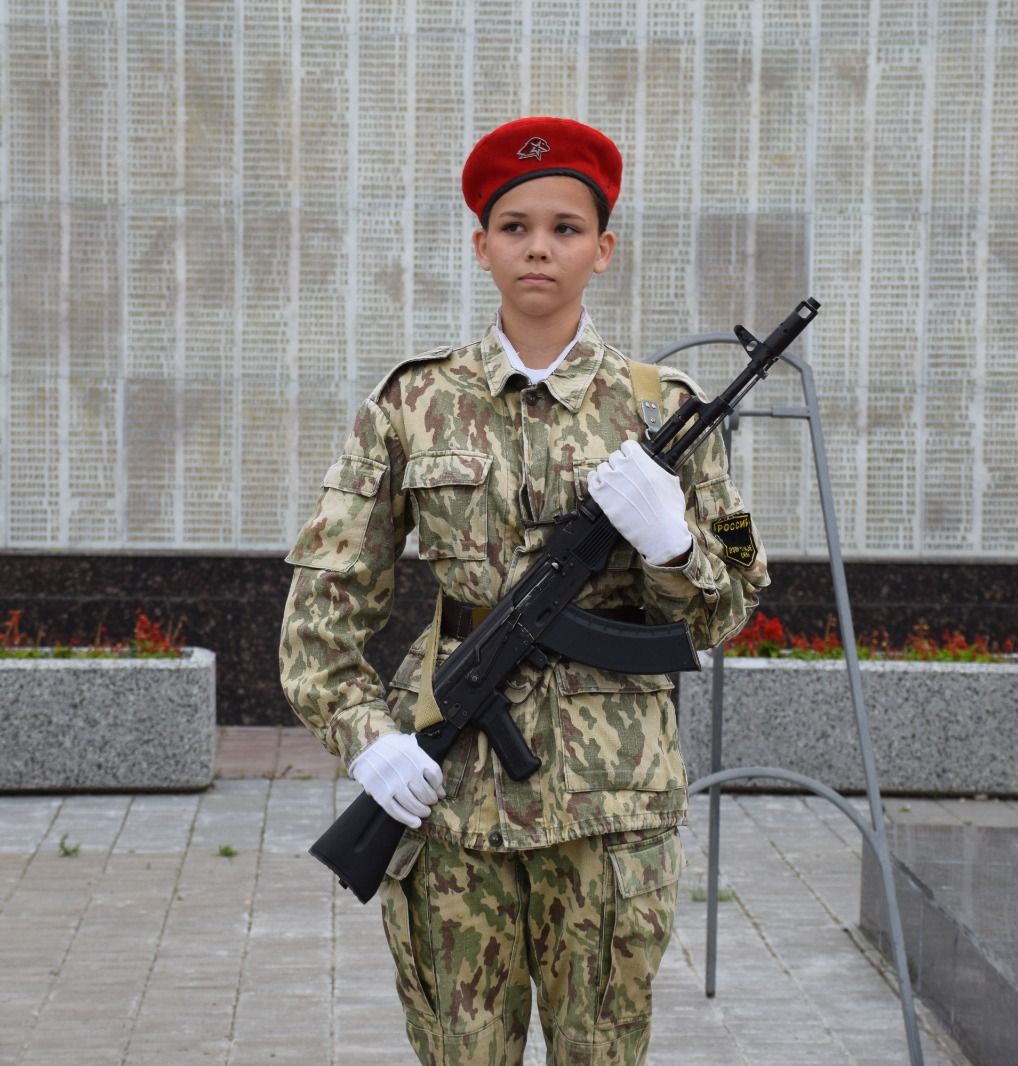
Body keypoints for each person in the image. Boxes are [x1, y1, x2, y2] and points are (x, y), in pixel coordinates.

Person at [279, 116, 769, 1065]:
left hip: (614, 806)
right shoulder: (413, 404)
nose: (539, 246)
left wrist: (672, 546)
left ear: (603, 249)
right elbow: (323, 615)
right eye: (514, 226)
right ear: (481, 245)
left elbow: (728, 610)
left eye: (565, 227)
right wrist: (366, 738)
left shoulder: (659, 408)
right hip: (449, 792)